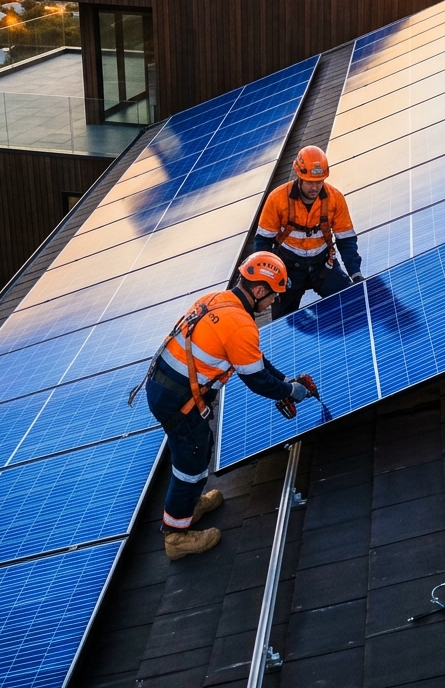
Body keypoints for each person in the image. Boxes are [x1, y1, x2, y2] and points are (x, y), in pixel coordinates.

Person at [143, 252, 312, 559]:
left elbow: (254, 361)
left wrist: (283, 380)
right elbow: (257, 380)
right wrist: (290, 391)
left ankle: (188, 506)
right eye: (273, 295)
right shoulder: (240, 325)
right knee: (192, 462)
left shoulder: (218, 299)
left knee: (200, 447)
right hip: (179, 402)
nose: (273, 301)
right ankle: (176, 536)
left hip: (165, 388)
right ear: (258, 290)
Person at [254, 145, 363, 319]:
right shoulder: (277, 199)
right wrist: (268, 278)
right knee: (283, 322)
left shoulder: (335, 199)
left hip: (323, 266)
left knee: (352, 303)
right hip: (287, 269)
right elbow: (262, 242)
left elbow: (346, 240)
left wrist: (355, 273)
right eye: (310, 182)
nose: (315, 187)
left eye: (319, 181)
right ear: (299, 177)